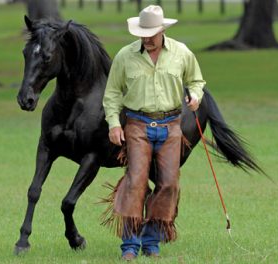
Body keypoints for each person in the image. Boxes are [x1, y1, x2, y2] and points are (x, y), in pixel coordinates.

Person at [102, 5, 206, 261]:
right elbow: (112, 94)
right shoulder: (125, 56)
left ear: (162, 31)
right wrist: (114, 123)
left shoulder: (181, 53)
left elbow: (196, 81)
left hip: (171, 126)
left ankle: (151, 240)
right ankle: (129, 244)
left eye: (150, 33)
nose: (146, 38)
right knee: (136, 181)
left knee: (169, 183)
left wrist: (195, 96)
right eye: (142, 33)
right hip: (137, 125)